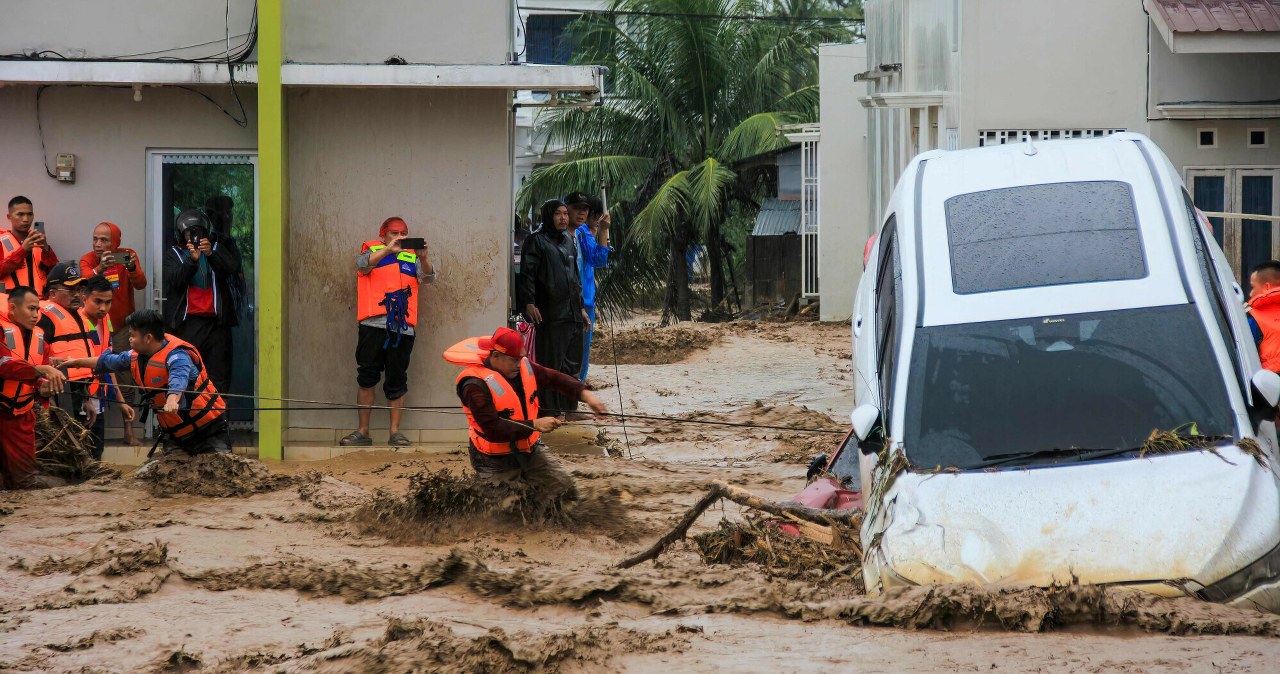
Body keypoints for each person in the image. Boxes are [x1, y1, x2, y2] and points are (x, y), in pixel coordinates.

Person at [444, 327, 606, 499]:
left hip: (529, 450)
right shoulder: (474, 386)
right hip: (492, 460)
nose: (518, 364)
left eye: (520, 358)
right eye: (513, 360)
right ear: (496, 356)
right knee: (511, 510)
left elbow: (554, 379)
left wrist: (586, 395)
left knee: (566, 491)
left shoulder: (522, 366)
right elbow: (492, 429)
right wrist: (535, 425)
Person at [60, 309, 229, 456]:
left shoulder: (178, 355)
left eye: (133, 336)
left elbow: (179, 377)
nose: (130, 340)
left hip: (209, 432)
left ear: (148, 337)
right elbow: (107, 362)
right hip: (177, 436)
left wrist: (172, 398)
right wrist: (74, 362)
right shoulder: (134, 356)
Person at [341, 217, 437, 448]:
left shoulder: (411, 256)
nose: (399, 237)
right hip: (372, 325)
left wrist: (424, 258)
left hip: (402, 329)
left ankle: (395, 432)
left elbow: (429, 278)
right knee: (367, 376)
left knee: (397, 379)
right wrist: (387, 250)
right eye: (394, 233)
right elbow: (362, 266)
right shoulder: (371, 250)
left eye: (403, 233)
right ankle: (363, 431)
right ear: (382, 234)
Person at [79, 222, 147, 446]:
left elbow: (141, 284)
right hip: (94, 329)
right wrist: (99, 268)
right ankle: (91, 436)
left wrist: (132, 268)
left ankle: (128, 432)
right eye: (95, 239)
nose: (98, 244)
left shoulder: (126, 256)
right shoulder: (88, 259)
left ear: (115, 242)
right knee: (92, 377)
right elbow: (86, 283)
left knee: (127, 378)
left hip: (123, 329)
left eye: (104, 240)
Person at [518, 200, 586, 416]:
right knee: (551, 366)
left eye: (566, 213)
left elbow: (575, 278)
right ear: (548, 216)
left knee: (572, 366)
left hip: (572, 314)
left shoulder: (568, 242)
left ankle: (569, 408)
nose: (564, 218)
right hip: (550, 313)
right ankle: (549, 411)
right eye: (558, 214)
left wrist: (581, 308)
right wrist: (529, 302)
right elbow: (527, 274)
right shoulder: (536, 241)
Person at [163, 208, 241, 395]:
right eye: (189, 232)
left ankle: (220, 421)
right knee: (189, 373)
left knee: (219, 376)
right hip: (188, 324)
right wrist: (192, 260)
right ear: (181, 234)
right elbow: (176, 281)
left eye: (198, 231)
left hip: (217, 325)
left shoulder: (215, 249)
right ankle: (191, 421)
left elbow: (231, 269)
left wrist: (211, 255)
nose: (194, 236)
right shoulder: (174, 254)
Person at [36, 263, 105, 458]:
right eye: (70, 289)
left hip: (77, 392)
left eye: (79, 289)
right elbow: (36, 359)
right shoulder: (44, 318)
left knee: (80, 445)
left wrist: (87, 400)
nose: (77, 294)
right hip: (57, 394)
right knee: (61, 448)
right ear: (52, 293)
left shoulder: (81, 318)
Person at [1, 286, 65, 489]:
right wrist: (41, 370)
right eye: (31, 309)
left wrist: (44, 387)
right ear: (12, 308)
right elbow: (4, 366)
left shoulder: (41, 342)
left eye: (38, 309)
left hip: (20, 416)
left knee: (25, 481)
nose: (36, 314)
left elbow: (39, 379)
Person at [575, 195, 612, 380]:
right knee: (582, 348)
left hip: (585, 297)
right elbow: (598, 259)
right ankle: (578, 384)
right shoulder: (582, 232)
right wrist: (604, 232)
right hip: (584, 298)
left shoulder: (582, 232)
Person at [1, 196, 59, 297]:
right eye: (20, 214)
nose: (26, 219)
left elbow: (56, 273)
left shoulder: (39, 240)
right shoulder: (2, 242)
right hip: (11, 304)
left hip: (39, 303)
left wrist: (46, 249)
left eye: (30, 214)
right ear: (9, 217)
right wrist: (23, 251)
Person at [1248, 260, 1280, 372]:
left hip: (1269, 382)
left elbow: (1244, 357)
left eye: (1253, 287)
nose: (1251, 293)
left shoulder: (1255, 319)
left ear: (1267, 287)